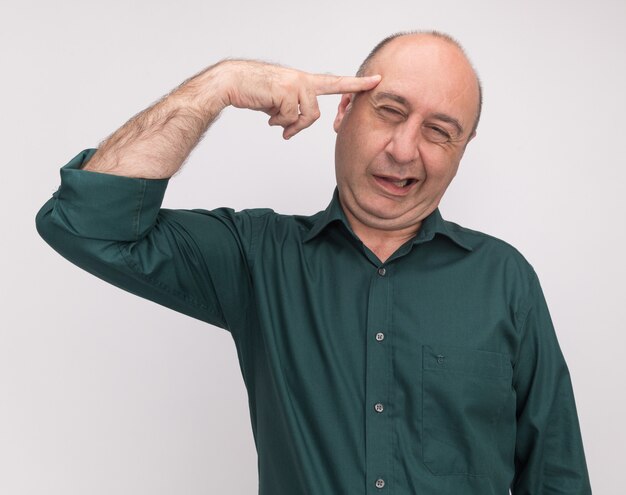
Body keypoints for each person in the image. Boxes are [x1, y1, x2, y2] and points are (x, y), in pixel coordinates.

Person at [36, 31, 592, 494]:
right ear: (344, 110)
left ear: (462, 150)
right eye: (389, 111)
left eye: (439, 132)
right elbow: (85, 221)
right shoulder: (257, 256)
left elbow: (557, 475)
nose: (403, 149)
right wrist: (220, 83)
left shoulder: (504, 279)